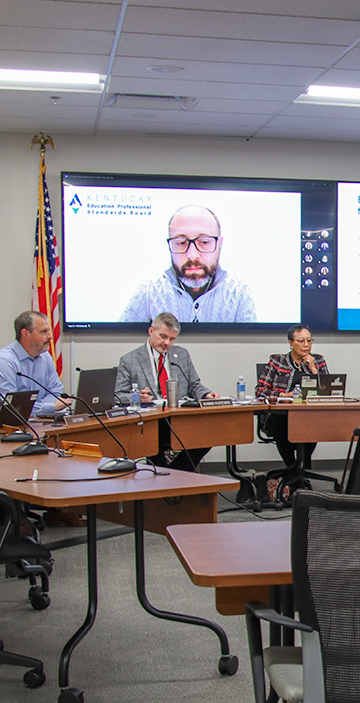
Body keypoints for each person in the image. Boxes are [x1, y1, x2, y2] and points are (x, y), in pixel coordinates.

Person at [119, 205, 256, 323]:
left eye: (204, 242)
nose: (192, 255)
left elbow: (251, 350)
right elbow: (121, 344)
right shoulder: (151, 291)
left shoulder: (238, 291)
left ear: (219, 244)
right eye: (181, 243)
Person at [114, 312, 216, 470]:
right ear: (150, 332)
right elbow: (118, 396)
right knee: (156, 444)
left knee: (210, 433)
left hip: (180, 417)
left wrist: (206, 394)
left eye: (172, 339)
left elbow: (194, 385)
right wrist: (138, 397)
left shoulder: (181, 355)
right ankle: (173, 476)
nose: (167, 343)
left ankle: (174, 474)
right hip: (152, 422)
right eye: (163, 336)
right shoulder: (130, 360)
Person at [257, 325, 328, 492]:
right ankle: (296, 472)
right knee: (283, 424)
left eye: (309, 341)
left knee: (315, 426)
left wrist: (313, 369)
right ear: (291, 342)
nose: (306, 345)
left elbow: (327, 390)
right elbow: (260, 390)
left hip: (310, 416)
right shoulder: (277, 361)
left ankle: (294, 475)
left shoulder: (318, 360)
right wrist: (284, 395)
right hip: (282, 415)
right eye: (301, 341)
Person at [0, 310, 71, 417]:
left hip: (37, 422)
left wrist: (43, 409)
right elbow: (12, 406)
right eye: (43, 332)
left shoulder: (45, 357)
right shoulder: (3, 362)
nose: (50, 336)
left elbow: (55, 392)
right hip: (1, 427)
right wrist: (50, 407)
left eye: (49, 331)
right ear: (25, 334)